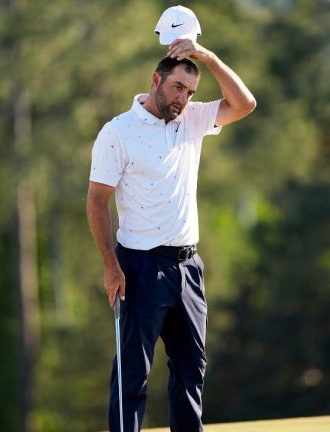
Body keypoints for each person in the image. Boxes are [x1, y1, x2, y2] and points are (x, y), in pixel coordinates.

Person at [86, 37, 256, 432]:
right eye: (178, 87)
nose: (183, 98)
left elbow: (245, 104)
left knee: (190, 373)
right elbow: (97, 201)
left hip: (188, 269)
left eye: (191, 91)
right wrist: (111, 268)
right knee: (132, 378)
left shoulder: (193, 120)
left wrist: (207, 56)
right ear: (156, 79)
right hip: (140, 267)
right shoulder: (118, 131)